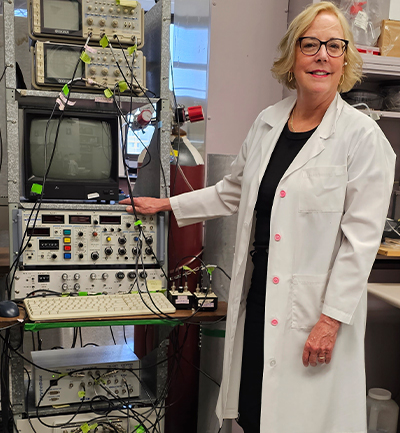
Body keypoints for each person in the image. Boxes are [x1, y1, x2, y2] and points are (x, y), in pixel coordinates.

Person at [120, 2, 396, 432]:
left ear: (346, 59)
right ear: (293, 55)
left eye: (334, 45)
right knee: (254, 409)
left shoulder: (363, 138)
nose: (322, 55)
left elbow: (360, 242)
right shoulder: (268, 122)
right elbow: (233, 190)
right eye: (310, 44)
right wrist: (168, 205)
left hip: (314, 312)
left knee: (305, 419)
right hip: (260, 298)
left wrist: (329, 320)